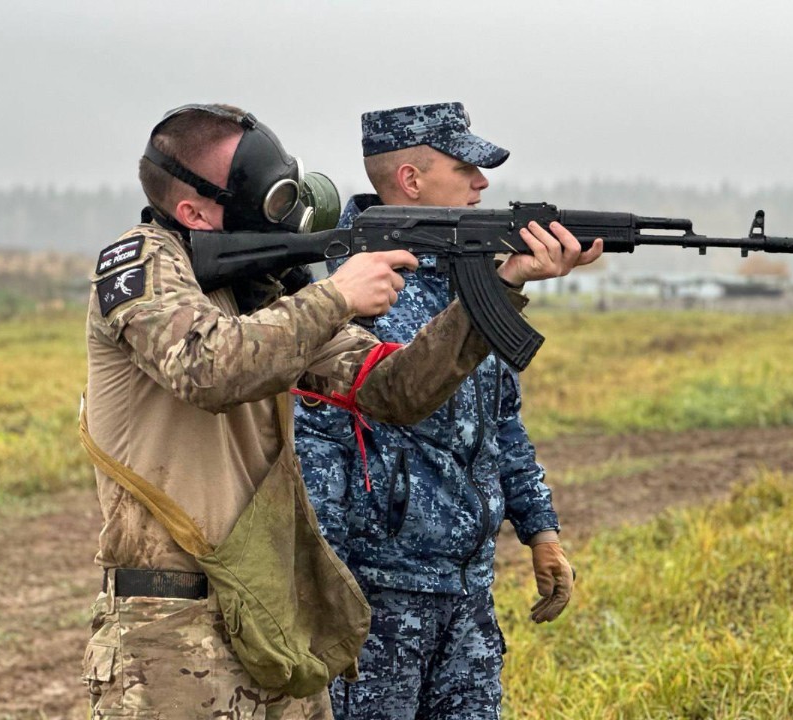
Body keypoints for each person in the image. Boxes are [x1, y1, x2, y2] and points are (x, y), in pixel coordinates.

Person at [80, 102, 599, 720]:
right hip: (171, 619)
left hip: (274, 605)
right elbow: (206, 368)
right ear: (192, 210)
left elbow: (393, 389)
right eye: (266, 199)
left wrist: (505, 285)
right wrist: (335, 296)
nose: (280, 212)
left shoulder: (266, 293)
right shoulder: (142, 261)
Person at [295, 102, 597, 719]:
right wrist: (327, 601)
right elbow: (314, 449)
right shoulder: (341, 289)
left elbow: (502, 422)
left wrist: (539, 531)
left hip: (466, 594)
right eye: (466, 169)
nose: (483, 184)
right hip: (378, 600)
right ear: (411, 180)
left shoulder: (473, 281)